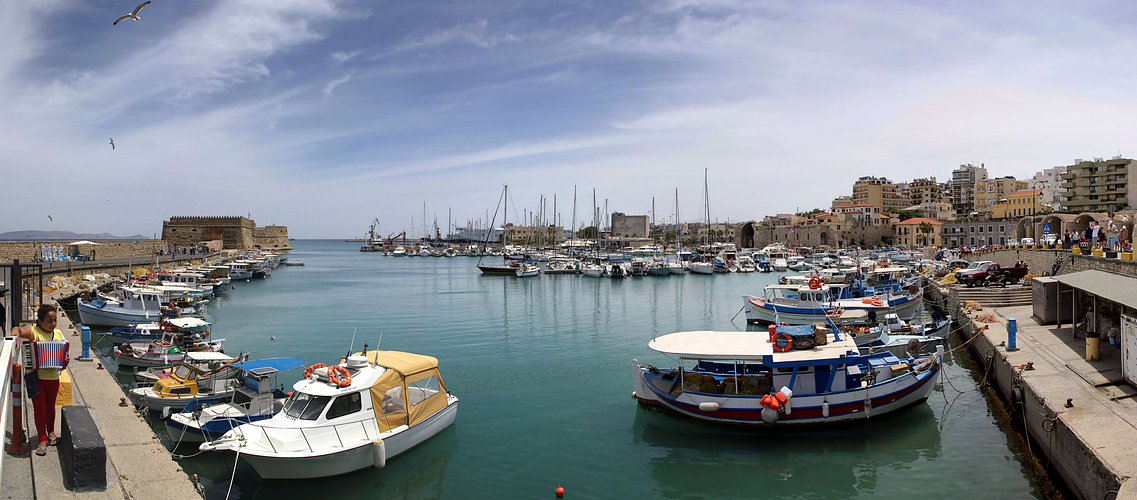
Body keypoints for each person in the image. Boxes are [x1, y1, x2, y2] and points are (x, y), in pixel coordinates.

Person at [11, 304, 65, 456]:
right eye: (49, 321)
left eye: (54, 320)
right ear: (40, 321)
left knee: (51, 408)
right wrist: (14, 335)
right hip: (37, 379)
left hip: (53, 378)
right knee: (40, 409)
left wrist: (65, 359)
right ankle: (42, 438)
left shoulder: (59, 334)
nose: (53, 324)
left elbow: (64, 353)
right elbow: (19, 330)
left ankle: (51, 432)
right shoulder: (34, 332)